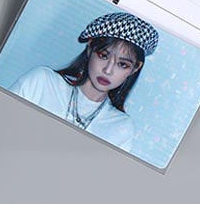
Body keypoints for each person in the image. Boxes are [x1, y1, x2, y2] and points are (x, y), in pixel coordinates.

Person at [10, 11, 159, 152]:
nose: (108, 70)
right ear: (90, 48)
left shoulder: (121, 127)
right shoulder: (41, 82)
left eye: (122, 64)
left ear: (135, 68)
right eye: (103, 56)